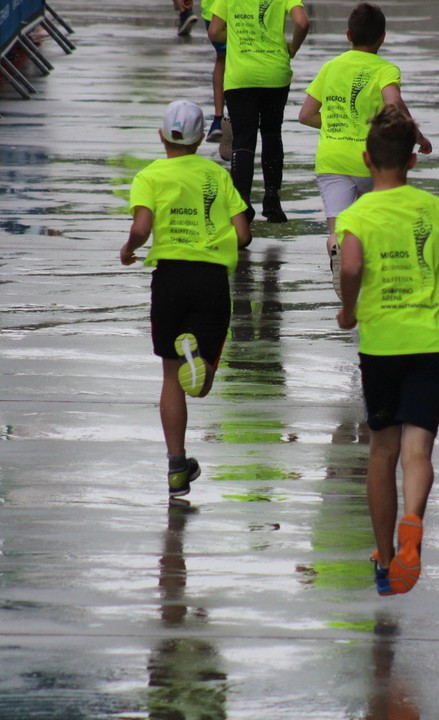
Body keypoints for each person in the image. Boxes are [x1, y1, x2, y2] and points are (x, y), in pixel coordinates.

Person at [334, 105, 439, 596]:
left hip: (382, 345)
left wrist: (347, 308)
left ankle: (384, 560)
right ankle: (413, 522)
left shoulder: (355, 215)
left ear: (366, 159)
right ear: (411, 162)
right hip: (433, 343)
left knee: (382, 451)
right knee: (418, 448)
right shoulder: (432, 209)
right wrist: (438, 262)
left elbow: (353, 265)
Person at [120, 100, 252, 497]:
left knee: (170, 377)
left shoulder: (149, 176)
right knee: (201, 380)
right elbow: (243, 234)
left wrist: (130, 248)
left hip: (169, 278)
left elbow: (142, 227)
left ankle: (176, 467)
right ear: (199, 140)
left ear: (161, 136)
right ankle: (200, 359)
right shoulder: (216, 175)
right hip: (211, 277)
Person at [297, 2, 432, 295]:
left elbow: (305, 115)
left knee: (338, 230)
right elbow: (394, 103)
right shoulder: (384, 69)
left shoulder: (330, 68)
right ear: (382, 37)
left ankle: (338, 251)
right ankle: (373, 284)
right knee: (372, 226)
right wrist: (417, 136)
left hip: (332, 159)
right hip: (372, 160)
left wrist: (336, 124)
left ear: (348, 35)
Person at [208, 0, 310, 224]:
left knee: (243, 138)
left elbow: (214, 31)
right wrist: (293, 47)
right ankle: (272, 199)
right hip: (275, 74)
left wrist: (236, 38)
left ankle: (242, 205)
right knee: (272, 133)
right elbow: (302, 22)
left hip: (240, 78)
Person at [200, 0, 226, 142]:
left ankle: (218, 118)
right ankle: (239, 117)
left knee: (221, 59)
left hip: (214, 9)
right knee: (245, 56)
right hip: (245, 9)